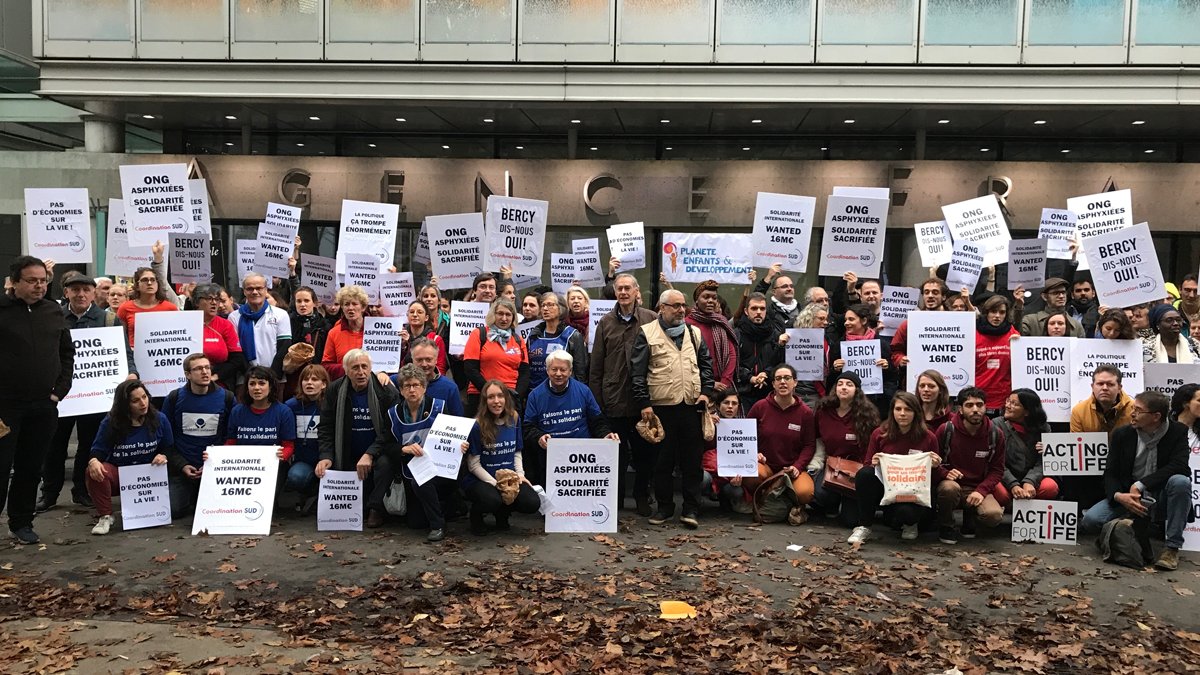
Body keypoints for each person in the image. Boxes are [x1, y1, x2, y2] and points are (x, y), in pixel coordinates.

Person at [37, 271, 137, 513]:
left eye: (85, 290)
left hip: (95, 397)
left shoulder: (109, 320)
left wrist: (132, 373)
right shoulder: (54, 317)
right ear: (66, 292)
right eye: (75, 290)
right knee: (54, 444)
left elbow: (124, 353)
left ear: (93, 293)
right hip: (62, 395)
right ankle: (49, 493)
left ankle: (82, 490)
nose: (80, 294)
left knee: (88, 444)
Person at [0, 256, 75, 545]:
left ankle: (21, 522)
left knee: (31, 467)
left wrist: (60, 390)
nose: (39, 286)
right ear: (14, 282)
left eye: (43, 281)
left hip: (43, 405)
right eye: (32, 281)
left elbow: (66, 353)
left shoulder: (53, 311)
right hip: (5, 407)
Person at [631, 288, 715, 529]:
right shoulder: (647, 333)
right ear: (662, 308)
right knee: (662, 462)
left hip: (692, 406)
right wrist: (644, 403)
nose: (681, 310)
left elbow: (706, 366)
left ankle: (691, 509)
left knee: (692, 462)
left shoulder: (694, 333)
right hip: (661, 408)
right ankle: (665, 507)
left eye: (683, 305)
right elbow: (637, 372)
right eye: (676, 306)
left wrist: (706, 392)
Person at [1081, 391, 1192, 571]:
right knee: (1091, 520)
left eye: (1138, 410)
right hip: (1128, 494)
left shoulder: (1177, 431)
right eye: (1133, 408)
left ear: (1156, 416)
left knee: (1181, 482)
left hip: (1160, 493)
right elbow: (1111, 472)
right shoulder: (1122, 434)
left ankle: (1172, 548)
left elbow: (1180, 466)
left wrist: (1141, 484)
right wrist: (1118, 496)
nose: (1132, 414)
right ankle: (1128, 528)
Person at [590, 272, 660, 516]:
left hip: (643, 401)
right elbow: (596, 367)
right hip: (614, 400)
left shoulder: (651, 319)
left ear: (636, 291)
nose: (623, 292)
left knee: (644, 454)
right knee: (616, 456)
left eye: (627, 288)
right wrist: (598, 402)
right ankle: (616, 499)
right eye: (619, 288)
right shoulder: (605, 322)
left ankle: (641, 496)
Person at [316, 350, 400, 530]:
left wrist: (370, 453)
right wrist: (326, 455)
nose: (361, 372)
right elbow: (326, 426)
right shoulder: (335, 389)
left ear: (371, 368)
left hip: (378, 451)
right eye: (355, 368)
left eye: (364, 367)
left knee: (386, 463)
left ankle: (375, 508)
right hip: (347, 450)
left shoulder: (386, 390)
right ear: (346, 371)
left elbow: (390, 429)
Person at [846, 392, 941, 545]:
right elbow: (867, 465)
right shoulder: (879, 434)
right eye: (898, 409)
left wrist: (935, 466)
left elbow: (935, 479)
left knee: (906, 514)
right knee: (864, 474)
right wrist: (874, 463)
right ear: (892, 411)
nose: (902, 414)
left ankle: (910, 523)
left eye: (908, 409)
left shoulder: (929, 437)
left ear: (916, 412)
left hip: (913, 493)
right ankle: (864, 526)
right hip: (886, 489)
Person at [84, 379, 172, 536]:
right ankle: (105, 516)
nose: (143, 403)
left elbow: (169, 447)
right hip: (120, 473)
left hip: (150, 477)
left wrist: (163, 455)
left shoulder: (160, 419)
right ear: (125, 404)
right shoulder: (110, 422)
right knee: (95, 471)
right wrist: (93, 461)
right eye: (135, 401)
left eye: (144, 397)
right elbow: (98, 449)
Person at [523, 351, 616, 486]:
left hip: (583, 457)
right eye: (554, 369)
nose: (558, 374)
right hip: (551, 457)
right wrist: (539, 437)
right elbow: (528, 427)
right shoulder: (535, 395)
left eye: (563, 369)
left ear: (570, 371)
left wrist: (605, 434)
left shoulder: (584, 391)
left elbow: (597, 421)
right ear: (547, 370)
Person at [385, 363, 455, 541]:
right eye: (407, 386)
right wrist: (403, 449)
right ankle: (442, 509)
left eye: (416, 385)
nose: (412, 390)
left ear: (424, 387)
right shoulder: (393, 414)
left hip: (438, 468)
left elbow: (452, 436)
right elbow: (387, 445)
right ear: (401, 390)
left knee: (422, 482)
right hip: (409, 468)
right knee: (415, 523)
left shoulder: (439, 407)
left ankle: (438, 525)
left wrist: (459, 445)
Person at [163, 354, 235, 518]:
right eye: (198, 369)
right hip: (182, 468)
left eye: (207, 367)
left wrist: (214, 463)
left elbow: (231, 436)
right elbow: (166, 439)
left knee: (219, 510)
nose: (205, 372)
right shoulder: (174, 398)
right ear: (187, 374)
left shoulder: (227, 397)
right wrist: (182, 465)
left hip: (214, 467)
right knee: (174, 510)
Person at [466, 380, 541, 535]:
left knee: (532, 503)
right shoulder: (477, 425)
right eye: (491, 397)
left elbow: (517, 452)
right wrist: (496, 484)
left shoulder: (514, 418)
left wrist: (520, 475)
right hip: (483, 479)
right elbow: (473, 465)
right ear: (485, 401)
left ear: (506, 398)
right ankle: (476, 515)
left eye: (500, 396)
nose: (496, 401)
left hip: (509, 476)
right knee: (492, 499)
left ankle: (503, 514)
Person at [934, 387, 1006, 544]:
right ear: (960, 409)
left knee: (993, 516)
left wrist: (981, 491)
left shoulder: (996, 434)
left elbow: (997, 470)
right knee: (948, 489)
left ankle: (970, 517)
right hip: (951, 484)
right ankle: (946, 526)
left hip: (977, 487)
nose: (975, 409)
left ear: (985, 407)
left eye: (979, 405)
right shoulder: (946, 430)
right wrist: (945, 473)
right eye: (969, 405)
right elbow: (933, 462)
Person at [738, 363, 816, 503]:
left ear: (795, 382)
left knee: (805, 493)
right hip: (765, 465)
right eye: (778, 379)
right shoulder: (760, 407)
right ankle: (763, 499)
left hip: (791, 468)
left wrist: (797, 466)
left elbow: (809, 445)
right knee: (751, 475)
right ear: (773, 384)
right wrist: (753, 453)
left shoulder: (806, 413)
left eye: (787, 378)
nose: (783, 382)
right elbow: (745, 436)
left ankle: (779, 498)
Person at [811, 371, 880, 526]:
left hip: (856, 470)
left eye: (849, 385)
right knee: (818, 494)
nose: (843, 387)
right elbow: (816, 438)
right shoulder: (823, 410)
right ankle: (832, 504)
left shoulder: (867, 414)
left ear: (857, 390)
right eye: (840, 384)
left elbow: (873, 446)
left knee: (851, 521)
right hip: (831, 467)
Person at [1069, 364, 1134, 507]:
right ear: (1092, 386)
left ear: (1119, 387)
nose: (1104, 388)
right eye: (1100, 384)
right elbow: (1076, 447)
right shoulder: (1079, 411)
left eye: (1110, 384)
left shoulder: (1135, 409)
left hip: (1126, 466)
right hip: (1091, 470)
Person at [226, 366, 297, 481]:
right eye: (252, 384)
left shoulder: (284, 412)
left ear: (270, 386)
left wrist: (282, 455)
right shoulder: (237, 411)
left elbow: (288, 446)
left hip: (273, 467)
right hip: (242, 467)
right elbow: (230, 443)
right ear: (247, 387)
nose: (256, 388)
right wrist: (215, 457)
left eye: (262, 383)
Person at [991, 389, 1059, 508]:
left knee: (1050, 487)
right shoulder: (996, 425)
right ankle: (1019, 504)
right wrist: (1013, 485)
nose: (1008, 406)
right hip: (1005, 477)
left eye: (1014, 404)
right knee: (1000, 493)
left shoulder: (1044, 428)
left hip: (1032, 479)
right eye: (1008, 401)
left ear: (1027, 411)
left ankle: (1019, 504)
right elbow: (996, 462)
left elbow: (1043, 461)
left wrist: (1030, 481)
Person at [463, 298, 529, 417]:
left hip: (510, 398)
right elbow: (470, 369)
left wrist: (514, 396)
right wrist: (491, 393)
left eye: (508, 314)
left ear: (513, 317)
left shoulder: (519, 340)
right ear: (493, 315)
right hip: (481, 396)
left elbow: (524, 373)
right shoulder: (479, 334)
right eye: (500, 313)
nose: (504, 318)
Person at [827, 304, 894, 416]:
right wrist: (835, 369)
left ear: (864, 321)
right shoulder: (839, 346)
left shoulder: (881, 344)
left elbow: (892, 377)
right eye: (845, 320)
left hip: (876, 404)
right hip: (848, 405)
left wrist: (887, 367)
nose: (846, 323)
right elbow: (831, 380)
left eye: (851, 319)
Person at [116, 244, 180, 347]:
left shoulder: (170, 308)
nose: (149, 283)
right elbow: (120, 338)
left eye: (153, 280)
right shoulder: (125, 308)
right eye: (145, 280)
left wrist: (158, 258)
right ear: (137, 286)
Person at [283, 364, 328, 511]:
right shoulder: (290, 406)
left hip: (327, 459)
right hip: (303, 460)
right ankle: (307, 492)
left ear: (324, 384)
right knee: (296, 477)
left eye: (314, 379)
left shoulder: (331, 405)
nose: (309, 383)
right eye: (305, 379)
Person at [230, 273, 291, 377]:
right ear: (244, 291)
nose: (255, 292)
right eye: (250, 289)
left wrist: (271, 375)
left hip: (275, 376)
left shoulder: (281, 314)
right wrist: (251, 375)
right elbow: (236, 351)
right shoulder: (234, 317)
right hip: (245, 377)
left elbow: (284, 347)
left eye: (259, 288)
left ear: (266, 290)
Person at [735, 292, 786, 411]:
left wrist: (766, 374)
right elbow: (732, 363)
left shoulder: (775, 335)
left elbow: (780, 362)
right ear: (746, 311)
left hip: (769, 392)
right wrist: (750, 378)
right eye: (754, 308)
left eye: (762, 308)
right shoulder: (736, 334)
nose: (758, 312)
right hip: (743, 393)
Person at [527, 292, 588, 391]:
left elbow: (580, 371)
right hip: (536, 392)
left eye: (550, 305)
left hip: (564, 392)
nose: (545, 309)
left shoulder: (572, 336)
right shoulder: (533, 336)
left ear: (560, 309)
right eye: (543, 305)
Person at [190, 283, 246, 388]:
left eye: (217, 299)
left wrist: (216, 376)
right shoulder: (185, 322)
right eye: (209, 298)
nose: (214, 303)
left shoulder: (225, 325)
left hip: (219, 383)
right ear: (197, 302)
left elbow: (237, 360)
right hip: (189, 383)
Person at [890, 278, 948, 372]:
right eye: (926, 292)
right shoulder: (909, 324)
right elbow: (895, 350)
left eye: (935, 292)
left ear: (944, 297)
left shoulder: (956, 321)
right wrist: (900, 359)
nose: (930, 296)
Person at [701, 390, 747, 510]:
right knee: (702, 479)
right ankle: (695, 501)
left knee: (737, 491)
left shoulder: (744, 427)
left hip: (729, 474)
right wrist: (707, 424)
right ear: (718, 405)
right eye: (726, 403)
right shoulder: (707, 420)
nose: (730, 407)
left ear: (738, 407)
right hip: (708, 469)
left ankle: (724, 497)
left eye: (734, 403)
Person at [975, 294, 1020, 415]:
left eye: (1002, 312)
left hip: (1004, 400)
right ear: (986, 312)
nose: (997, 316)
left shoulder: (1013, 334)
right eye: (993, 311)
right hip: (978, 399)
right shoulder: (974, 333)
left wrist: (1020, 346)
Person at [321, 285, 370, 380]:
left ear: (363, 307)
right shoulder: (334, 333)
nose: (350, 308)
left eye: (354, 304)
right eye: (346, 304)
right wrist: (348, 369)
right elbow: (326, 366)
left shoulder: (377, 330)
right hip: (344, 383)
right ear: (342, 308)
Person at [791, 301, 832, 408]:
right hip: (800, 393)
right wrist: (780, 345)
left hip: (820, 392)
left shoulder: (826, 339)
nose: (825, 322)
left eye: (826, 319)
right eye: (821, 319)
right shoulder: (793, 339)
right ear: (809, 319)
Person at [1020, 278, 1084, 337]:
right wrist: (1018, 307)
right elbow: (1018, 336)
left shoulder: (1076, 325)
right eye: (1055, 293)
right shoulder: (1031, 321)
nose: (1061, 296)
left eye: (1063, 292)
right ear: (1044, 297)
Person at [399, 299, 448, 375]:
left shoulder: (436, 339)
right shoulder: (399, 337)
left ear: (426, 317)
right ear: (407, 316)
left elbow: (440, 368)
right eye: (411, 312)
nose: (415, 315)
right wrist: (404, 347)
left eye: (420, 312)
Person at [752, 264, 800, 337]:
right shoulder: (768, 311)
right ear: (774, 292)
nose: (789, 289)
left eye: (791, 286)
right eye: (784, 286)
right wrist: (768, 277)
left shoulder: (802, 311)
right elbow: (756, 298)